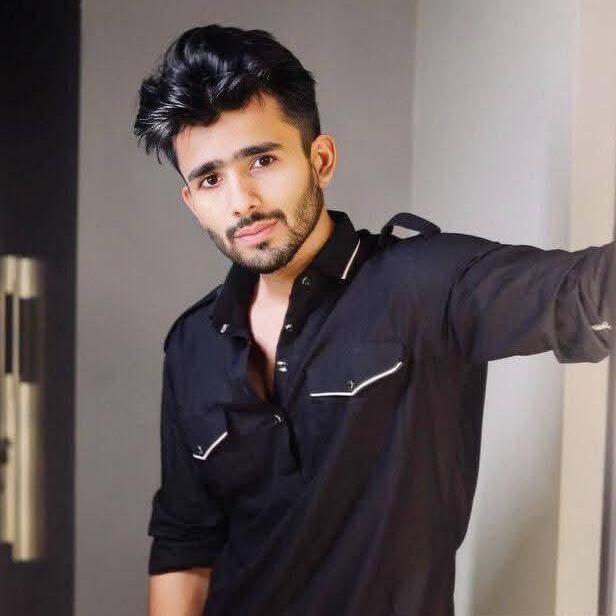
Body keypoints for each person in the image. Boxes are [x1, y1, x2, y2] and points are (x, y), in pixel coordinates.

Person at [133, 24, 616, 616]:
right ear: (192, 200)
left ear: (320, 160)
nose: (241, 202)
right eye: (210, 179)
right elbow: (185, 545)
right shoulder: (191, 343)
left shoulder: (422, 284)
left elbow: (583, 292)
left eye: (262, 160)